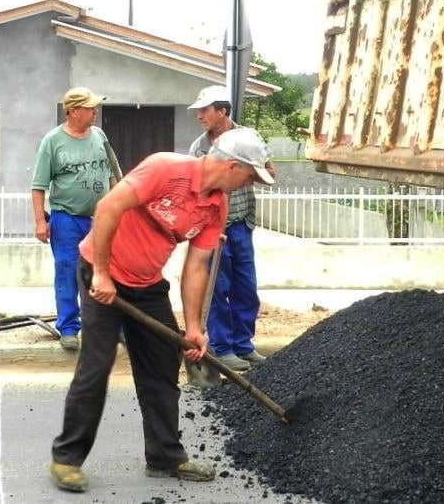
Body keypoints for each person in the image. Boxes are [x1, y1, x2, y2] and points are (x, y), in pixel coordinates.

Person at [49, 127, 275, 494]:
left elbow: (196, 266)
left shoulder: (215, 206)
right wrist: (103, 274)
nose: (247, 184)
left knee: (162, 364)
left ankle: (164, 455)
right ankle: (67, 459)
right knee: (96, 366)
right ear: (233, 167)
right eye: (249, 176)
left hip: (146, 283)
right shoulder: (165, 169)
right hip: (102, 272)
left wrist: (195, 327)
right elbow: (108, 207)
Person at [187, 85, 273, 371]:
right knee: (217, 287)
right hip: (213, 227)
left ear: (222, 111)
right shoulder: (199, 147)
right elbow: (195, 187)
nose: (199, 115)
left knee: (245, 286)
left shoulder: (249, 140)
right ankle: (221, 347)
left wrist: (248, 172)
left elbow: (269, 171)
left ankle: (243, 345)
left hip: (240, 222)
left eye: (204, 110)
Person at [30, 87, 113, 351]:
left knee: (103, 272)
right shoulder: (53, 141)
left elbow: (113, 174)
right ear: (73, 111)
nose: (95, 113)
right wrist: (40, 222)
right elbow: (38, 185)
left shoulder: (99, 136)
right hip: (66, 218)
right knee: (67, 270)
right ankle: (68, 327)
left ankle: (103, 326)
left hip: (100, 219)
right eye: (90, 108)